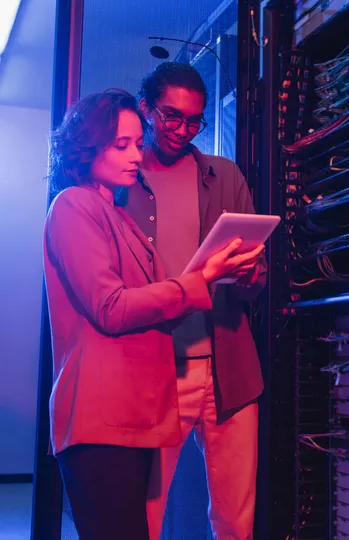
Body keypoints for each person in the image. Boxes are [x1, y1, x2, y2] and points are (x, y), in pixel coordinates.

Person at [43, 88, 264, 540]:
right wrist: (202, 279)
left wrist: (220, 271)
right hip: (101, 417)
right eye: (119, 145)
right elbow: (112, 307)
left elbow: (158, 297)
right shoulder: (73, 205)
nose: (134, 155)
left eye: (136, 144)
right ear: (87, 147)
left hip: (129, 413)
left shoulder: (116, 216)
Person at [123, 63, 267, 540]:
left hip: (228, 366)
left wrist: (250, 271)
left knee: (235, 519)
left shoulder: (223, 176)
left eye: (193, 121)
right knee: (144, 514)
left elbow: (257, 282)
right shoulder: (121, 182)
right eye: (170, 117)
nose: (182, 131)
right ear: (145, 108)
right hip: (156, 370)